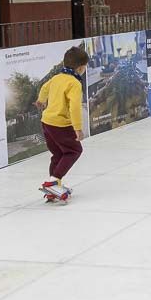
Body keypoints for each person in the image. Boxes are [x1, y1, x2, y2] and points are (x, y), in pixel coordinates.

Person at [36, 46, 89, 204]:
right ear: (80, 68)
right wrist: (78, 128)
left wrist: (41, 100)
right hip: (60, 124)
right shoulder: (74, 83)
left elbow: (45, 87)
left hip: (46, 122)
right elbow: (74, 107)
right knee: (74, 150)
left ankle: (53, 188)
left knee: (58, 154)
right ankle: (53, 182)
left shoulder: (57, 77)